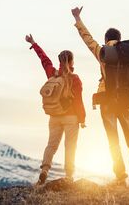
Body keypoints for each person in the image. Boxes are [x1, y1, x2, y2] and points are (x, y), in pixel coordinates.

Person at [71, 6, 129, 186]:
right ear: (120, 40)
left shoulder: (103, 52)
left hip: (107, 100)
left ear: (106, 40)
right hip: (126, 100)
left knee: (114, 141)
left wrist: (78, 19)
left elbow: (88, 39)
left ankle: (120, 177)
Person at [25, 34, 86, 185]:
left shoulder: (52, 73)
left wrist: (34, 43)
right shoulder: (75, 78)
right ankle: (69, 176)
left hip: (54, 116)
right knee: (70, 146)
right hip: (71, 118)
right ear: (72, 61)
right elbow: (78, 100)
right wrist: (83, 119)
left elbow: (44, 60)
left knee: (51, 145)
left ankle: (44, 170)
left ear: (59, 61)